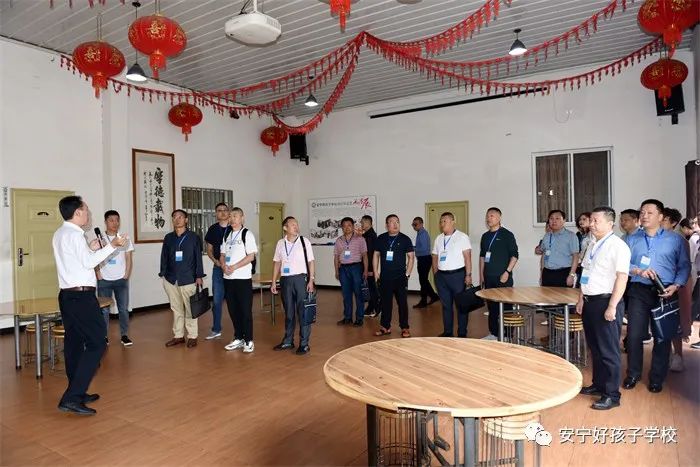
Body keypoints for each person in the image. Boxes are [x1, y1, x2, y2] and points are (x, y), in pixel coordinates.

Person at [53, 195, 127, 415]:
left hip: (67, 296)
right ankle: (72, 396)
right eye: (85, 209)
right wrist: (112, 245)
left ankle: (76, 391)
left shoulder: (61, 233)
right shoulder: (75, 235)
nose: (88, 213)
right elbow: (88, 263)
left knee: (74, 343)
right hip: (82, 297)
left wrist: (92, 248)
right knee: (97, 343)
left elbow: (79, 259)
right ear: (77, 212)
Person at [624, 199, 690, 393]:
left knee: (662, 336)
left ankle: (657, 378)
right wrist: (637, 270)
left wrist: (676, 285)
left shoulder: (675, 239)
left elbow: (684, 266)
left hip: (666, 292)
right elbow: (622, 264)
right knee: (634, 335)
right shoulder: (631, 239)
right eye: (642, 212)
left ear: (661, 217)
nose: (644, 215)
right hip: (638, 291)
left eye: (649, 212)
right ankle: (633, 374)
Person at [576, 207, 630, 410]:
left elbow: (622, 277)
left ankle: (612, 395)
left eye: (596, 221)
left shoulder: (618, 246)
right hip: (589, 302)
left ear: (610, 223)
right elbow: (585, 274)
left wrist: (612, 306)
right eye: (591, 220)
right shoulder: (592, 244)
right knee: (595, 348)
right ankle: (599, 384)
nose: (591, 224)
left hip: (606, 302)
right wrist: (581, 298)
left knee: (609, 351)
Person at [160, 209, 205, 348]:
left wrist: (199, 275)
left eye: (180, 217)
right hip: (171, 279)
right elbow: (164, 256)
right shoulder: (168, 238)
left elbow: (198, 258)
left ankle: (192, 336)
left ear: (186, 220)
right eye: (174, 217)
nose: (177, 219)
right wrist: (163, 273)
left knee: (190, 309)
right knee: (176, 309)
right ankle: (178, 336)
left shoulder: (193, 237)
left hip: (188, 278)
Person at [271, 216, 315, 355]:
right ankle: (288, 341)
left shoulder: (304, 241)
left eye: (297, 224)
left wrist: (311, 280)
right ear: (285, 228)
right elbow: (277, 262)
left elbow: (311, 262)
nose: (296, 227)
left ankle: (304, 344)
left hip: (301, 279)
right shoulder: (280, 243)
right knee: (289, 312)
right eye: (293, 225)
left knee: (303, 312)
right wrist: (274, 281)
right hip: (286, 280)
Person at [220, 207, 257, 353]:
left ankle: (248, 340)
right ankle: (238, 337)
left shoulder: (247, 234)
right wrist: (223, 265)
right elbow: (222, 254)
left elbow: (251, 256)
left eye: (235, 215)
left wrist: (234, 266)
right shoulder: (227, 235)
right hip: (228, 278)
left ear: (242, 218)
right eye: (230, 216)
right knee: (233, 310)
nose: (232, 218)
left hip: (242, 279)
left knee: (245, 310)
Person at [479, 208, 519, 339]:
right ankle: (494, 333)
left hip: (503, 277)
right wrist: (481, 276)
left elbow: (515, 255)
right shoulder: (485, 236)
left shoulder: (507, 234)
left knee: (506, 307)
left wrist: (507, 272)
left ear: (499, 218)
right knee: (492, 307)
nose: (489, 218)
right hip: (488, 277)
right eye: (487, 216)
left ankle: (507, 335)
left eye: (492, 216)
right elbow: (482, 257)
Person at [95, 210, 134, 346]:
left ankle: (124, 335)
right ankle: (103, 336)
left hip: (121, 279)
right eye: (111, 220)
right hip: (104, 279)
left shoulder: (124, 238)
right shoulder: (100, 240)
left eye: (117, 220)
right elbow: (94, 258)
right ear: (105, 222)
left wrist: (126, 274)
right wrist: (98, 274)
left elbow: (128, 258)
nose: (115, 223)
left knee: (123, 309)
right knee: (104, 310)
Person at [431, 212, 472, 337]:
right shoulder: (438, 238)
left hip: (458, 276)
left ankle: (462, 333)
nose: (442, 223)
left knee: (461, 305)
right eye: (441, 221)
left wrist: (468, 275)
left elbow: (467, 257)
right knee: (446, 306)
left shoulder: (462, 237)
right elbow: (434, 256)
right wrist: (436, 274)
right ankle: (448, 332)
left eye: (445, 221)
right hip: (441, 277)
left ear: (453, 221)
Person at [373, 214, 415, 338]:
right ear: (387, 225)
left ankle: (405, 327)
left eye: (397, 221)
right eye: (392, 222)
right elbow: (376, 255)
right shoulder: (381, 238)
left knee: (402, 303)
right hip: (385, 277)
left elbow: (411, 257)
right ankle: (385, 327)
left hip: (400, 277)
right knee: (386, 303)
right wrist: (375, 272)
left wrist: (407, 274)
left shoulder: (405, 239)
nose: (395, 224)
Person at [661, 209, 692, 372]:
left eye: (665, 219)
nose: (661, 222)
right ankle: (665, 355)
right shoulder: (654, 239)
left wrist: (676, 284)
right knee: (661, 323)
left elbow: (684, 267)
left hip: (676, 286)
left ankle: (678, 355)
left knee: (676, 322)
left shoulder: (679, 241)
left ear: (673, 223)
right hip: (659, 285)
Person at [203, 203, 231, 340]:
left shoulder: (234, 227)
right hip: (218, 268)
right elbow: (209, 249)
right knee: (217, 300)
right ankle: (216, 329)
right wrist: (215, 261)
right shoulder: (213, 229)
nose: (223, 212)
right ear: (216, 213)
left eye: (225, 210)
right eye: (219, 210)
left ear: (229, 212)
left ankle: (240, 331)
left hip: (233, 269)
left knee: (235, 300)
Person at [334, 217, 368, 326]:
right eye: (344, 226)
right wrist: (337, 271)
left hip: (356, 268)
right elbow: (336, 257)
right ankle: (347, 318)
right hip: (343, 269)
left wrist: (366, 270)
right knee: (346, 295)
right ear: (342, 228)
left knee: (358, 294)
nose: (346, 228)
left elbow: (365, 256)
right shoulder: (339, 240)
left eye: (349, 225)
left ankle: (359, 318)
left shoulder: (360, 239)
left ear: (353, 227)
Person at [536, 210, 580, 287]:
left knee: (563, 295)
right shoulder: (547, 236)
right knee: (545, 295)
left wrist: (572, 275)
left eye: (557, 218)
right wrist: (542, 274)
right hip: (547, 273)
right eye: (551, 218)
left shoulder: (571, 236)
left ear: (564, 221)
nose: (554, 221)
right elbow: (543, 254)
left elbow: (576, 256)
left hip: (563, 273)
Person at [412, 217, 439, 308]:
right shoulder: (420, 233)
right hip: (423, 259)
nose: (414, 226)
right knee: (424, 280)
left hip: (424, 259)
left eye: (415, 224)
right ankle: (434, 296)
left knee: (423, 281)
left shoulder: (423, 234)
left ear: (421, 224)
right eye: (413, 224)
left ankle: (423, 301)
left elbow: (423, 249)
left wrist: (413, 248)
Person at [361, 215, 381, 318]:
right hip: (369, 267)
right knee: (371, 289)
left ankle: (376, 309)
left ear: (368, 223)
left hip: (369, 268)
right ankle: (371, 308)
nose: (361, 224)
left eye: (362, 222)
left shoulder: (370, 236)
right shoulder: (368, 235)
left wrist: (369, 269)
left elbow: (370, 254)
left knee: (372, 289)